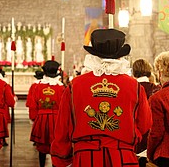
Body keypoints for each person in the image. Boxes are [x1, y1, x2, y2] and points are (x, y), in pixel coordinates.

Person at [51, 28, 152, 167]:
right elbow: (145, 123)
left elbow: (63, 127)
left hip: (86, 158)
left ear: (94, 55)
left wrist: (61, 159)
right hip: (123, 157)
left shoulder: (75, 86)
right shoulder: (134, 86)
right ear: (120, 56)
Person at [29, 60, 65, 167]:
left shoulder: (37, 86)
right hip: (57, 119)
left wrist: (34, 118)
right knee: (56, 146)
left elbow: (33, 104)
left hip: (42, 118)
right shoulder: (61, 87)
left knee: (42, 148)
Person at [132, 58, 161, 166]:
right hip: (153, 141)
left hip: (134, 140)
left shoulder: (131, 89)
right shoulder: (157, 89)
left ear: (134, 72)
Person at [147, 51, 169, 167]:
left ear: (160, 73)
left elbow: (156, 133)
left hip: (165, 154)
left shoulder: (157, 98)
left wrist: (149, 155)